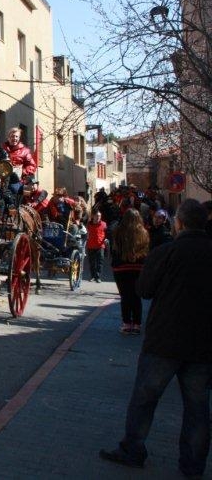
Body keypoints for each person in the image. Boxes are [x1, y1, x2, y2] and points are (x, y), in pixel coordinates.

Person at [100, 199, 212, 477]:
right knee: (198, 408)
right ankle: (193, 465)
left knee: (144, 399)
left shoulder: (165, 252)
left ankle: (133, 450)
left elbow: (145, 290)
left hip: (165, 340)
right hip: (204, 344)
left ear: (180, 223)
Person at [110, 209, 150, 335]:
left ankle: (127, 323)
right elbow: (146, 250)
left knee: (125, 296)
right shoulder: (144, 233)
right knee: (136, 296)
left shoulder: (118, 231)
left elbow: (114, 248)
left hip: (121, 267)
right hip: (138, 267)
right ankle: (137, 324)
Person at [2, 127, 36, 194]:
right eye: (12, 136)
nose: (14, 138)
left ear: (19, 138)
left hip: (16, 180)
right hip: (2, 177)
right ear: (8, 137)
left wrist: (23, 172)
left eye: (16, 136)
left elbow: (31, 165)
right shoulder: (2, 149)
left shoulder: (25, 151)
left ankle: (12, 204)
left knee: (13, 189)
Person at [85, 210, 107, 283]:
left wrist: (106, 239)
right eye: (97, 216)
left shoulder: (104, 224)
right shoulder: (89, 224)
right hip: (90, 245)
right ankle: (92, 276)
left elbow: (107, 233)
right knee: (92, 262)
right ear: (93, 216)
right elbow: (86, 233)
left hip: (100, 246)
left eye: (99, 216)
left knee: (99, 262)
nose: (98, 217)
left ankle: (98, 277)